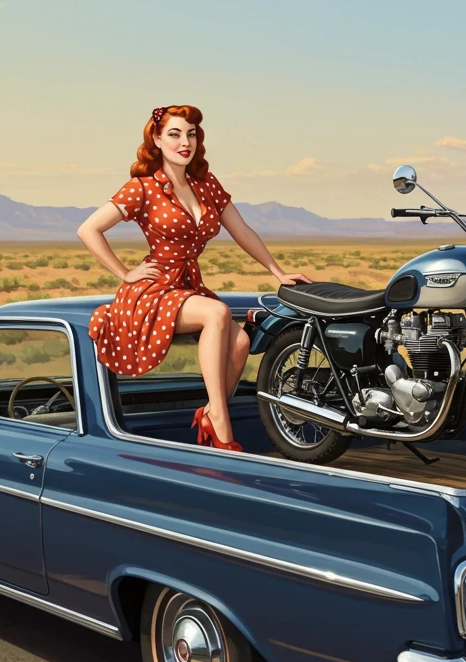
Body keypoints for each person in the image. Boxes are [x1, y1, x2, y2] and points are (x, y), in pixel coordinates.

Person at [77, 104, 311, 451]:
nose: (185, 142)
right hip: (154, 289)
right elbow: (88, 229)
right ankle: (222, 426)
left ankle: (211, 413)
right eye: (174, 134)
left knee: (240, 343)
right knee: (217, 313)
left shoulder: (206, 185)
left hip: (188, 285)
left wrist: (277, 271)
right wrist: (126, 273)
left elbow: (242, 230)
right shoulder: (142, 188)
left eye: (191, 135)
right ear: (157, 140)